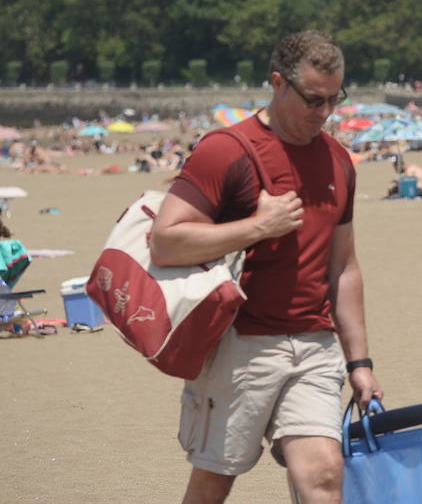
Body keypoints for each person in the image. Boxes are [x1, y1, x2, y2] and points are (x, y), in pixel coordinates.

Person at [150, 30, 382, 504]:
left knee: (322, 475)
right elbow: (166, 243)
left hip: (315, 347)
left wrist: (360, 363)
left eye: (334, 100)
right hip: (240, 346)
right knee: (215, 482)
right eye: (313, 100)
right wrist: (258, 227)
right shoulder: (226, 150)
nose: (324, 112)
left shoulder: (340, 161)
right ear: (277, 83)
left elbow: (344, 268)